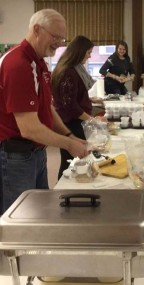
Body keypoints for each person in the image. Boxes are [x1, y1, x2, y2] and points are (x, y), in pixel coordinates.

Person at [0, 9, 89, 215]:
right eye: (55, 36)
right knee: (20, 218)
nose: (59, 43)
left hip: (36, 153)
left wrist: (69, 135)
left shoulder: (39, 63)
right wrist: (69, 145)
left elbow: (47, 107)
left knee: (40, 212)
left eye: (62, 38)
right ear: (37, 30)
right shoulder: (18, 65)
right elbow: (29, 129)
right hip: (16, 155)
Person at [52, 35, 105, 179]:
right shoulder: (69, 72)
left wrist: (90, 99)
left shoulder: (74, 69)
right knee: (70, 162)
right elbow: (71, 106)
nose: (89, 56)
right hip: (71, 124)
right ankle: (64, 190)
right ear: (79, 51)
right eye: (88, 52)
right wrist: (92, 120)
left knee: (75, 160)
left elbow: (73, 96)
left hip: (74, 121)